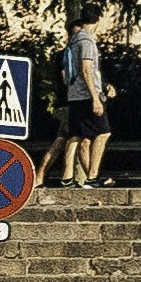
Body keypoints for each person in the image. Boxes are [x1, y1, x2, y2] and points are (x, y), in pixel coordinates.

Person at [56, 17, 106, 183]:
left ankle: (67, 177)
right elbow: (86, 70)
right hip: (85, 95)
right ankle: (92, 176)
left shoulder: (71, 44)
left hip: (74, 95)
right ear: (97, 21)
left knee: (77, 135)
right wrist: (95, 98)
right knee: (103, 133)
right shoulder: (86, 41)